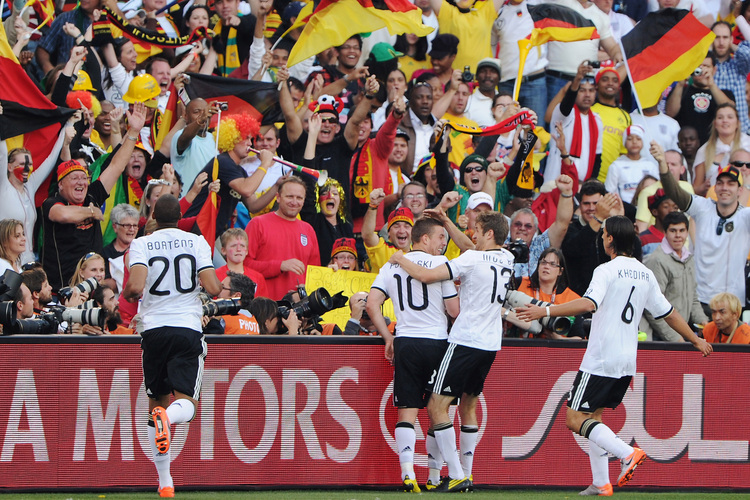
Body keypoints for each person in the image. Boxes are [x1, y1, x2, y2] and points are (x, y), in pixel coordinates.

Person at [516, 215, 712, 496]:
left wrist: (544, 310)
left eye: (604, 233)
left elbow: (588, 303)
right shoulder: (645, 273)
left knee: (574, 418)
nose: (602, 237)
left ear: (609, 239)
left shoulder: (606, 270)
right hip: (626, 361)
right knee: (593, 415)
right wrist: (695, 339)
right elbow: (668, 313)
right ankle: (601, 482)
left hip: (601, 356)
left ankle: (626, 453)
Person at [388, 211, 514, 492]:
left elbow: (424, 274)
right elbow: (473, 250)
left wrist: (400, 258)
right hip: (491, 343)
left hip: (465, 341)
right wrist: (447, 222)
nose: (472, 236)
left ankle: (456, 473)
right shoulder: (507, 258)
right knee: (468, 406)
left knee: (436, 406)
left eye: (477, 230)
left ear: (489, 234)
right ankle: (467, 474)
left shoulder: (469, 259)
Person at [122, 194, 222, 499]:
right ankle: (171, 419)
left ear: (153, 214)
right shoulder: (196, 242)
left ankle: (165, 481)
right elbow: (215, 287)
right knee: (186, 405)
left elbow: (136, 287)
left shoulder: (141, 243)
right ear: (180, 217)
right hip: (186, 328)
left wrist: (125, 295)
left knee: (156, 403)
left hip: (153, 330)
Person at [41, 103, 146, 292]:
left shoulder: (93, 195)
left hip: (93, 289)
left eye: (84, 177)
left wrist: (133, 131)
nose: (81, 182)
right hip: (62, 290)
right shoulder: (53, 202)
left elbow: (116, 166)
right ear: (61, 185)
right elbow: (63, 215)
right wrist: (91, 211)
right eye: (74, 178)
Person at [655, 141, 750, 313]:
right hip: (700, 300)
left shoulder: (745, 216)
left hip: (733, 301)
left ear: (740, 190)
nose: (724, 188)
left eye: (731, 184)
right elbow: (674, 192)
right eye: (720, 183)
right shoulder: (702, 207)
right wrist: (663, 165)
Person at [244, 177, 320, 300]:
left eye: (299, 198)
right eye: (289, 196)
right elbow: (244, 265)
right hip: (265, 307)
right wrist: (279, 266)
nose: (294, 202)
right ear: (278, 197)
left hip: (300, 310)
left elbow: (315, 273)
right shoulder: (258, 224)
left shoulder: (308, 230)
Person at [642, 211, 708, 341]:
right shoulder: (657, 260)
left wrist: (703, 323)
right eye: (673, 231)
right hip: (660, 338)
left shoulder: (688, 258)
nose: (678, 235)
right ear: (665, 232)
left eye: (682, 230)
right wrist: (675, 338)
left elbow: (693, 297)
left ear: (687, 232)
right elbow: (652, 307)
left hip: (682, 333)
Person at [544, 61, 603, 184]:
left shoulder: (597, 120)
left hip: (581, 187)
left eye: (591, 90)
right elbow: (567, 103)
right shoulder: (563, 113)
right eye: (582, 90)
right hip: (555, 183)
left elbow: (597, 158)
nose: (587, 95)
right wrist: (576, 81)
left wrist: (589, 185)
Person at [512, 248, 582, 339]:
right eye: (543, 262)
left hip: (555, 350)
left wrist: (559, 339)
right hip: (519, 346)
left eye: (552, 264)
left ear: (560, 271)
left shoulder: (572, 299)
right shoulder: (520, 284)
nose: (546, 267)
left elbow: (579, 338)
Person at [666, 52, 735, 145]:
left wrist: (711, 85)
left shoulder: (725, 93)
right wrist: (680, 84)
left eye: (706, 66)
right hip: (686, 146)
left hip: (715, 146)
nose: (702, 70)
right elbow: (670, 113)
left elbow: (730, 110)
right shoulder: (680, 90)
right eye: (698, 66)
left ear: (714, 70)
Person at [691, 103, 750, 196]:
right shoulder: (704, 151)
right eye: (720, 118)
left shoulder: (748, 144)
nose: (725, 121)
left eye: (730, 117)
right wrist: (703, 187)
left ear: (738, 123)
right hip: (713, 200)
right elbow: (695, 189)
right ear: (715, 123)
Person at [604, 125, 659, 204]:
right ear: (624, 142)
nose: (634, 142)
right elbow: (609, 192)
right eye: (630, 139)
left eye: (638, 138)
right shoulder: (616, 166)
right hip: (624, 210)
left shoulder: (650, 166)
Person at [712, 20, 750, 134]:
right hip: (715, 132)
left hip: (742, 131)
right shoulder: (707, 65)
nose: (721, 42)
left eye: (725, 37)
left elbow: (748, 55)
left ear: (731, 39)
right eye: (717, 37)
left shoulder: (739, 65)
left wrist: (732, 46)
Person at [362, 192, 413, 274]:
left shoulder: (419, 252)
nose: (402, 230)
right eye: (396, 226)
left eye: (406, 226)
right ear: (389, 233)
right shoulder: (382, 249)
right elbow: (367, 235)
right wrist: (373, 206)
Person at [215, 228, 269, 299]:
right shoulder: (214, 276)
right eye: (234, 246)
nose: (238, 249)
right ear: (223, 250)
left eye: (242, 246)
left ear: (246, 251)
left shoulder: (258, 277)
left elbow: (262, 306)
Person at [638, 189, 679, 257]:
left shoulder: (678, 237)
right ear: (655, 211)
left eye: (675, 207)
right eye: (666, 206)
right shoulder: (643, 239)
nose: (671, 210)